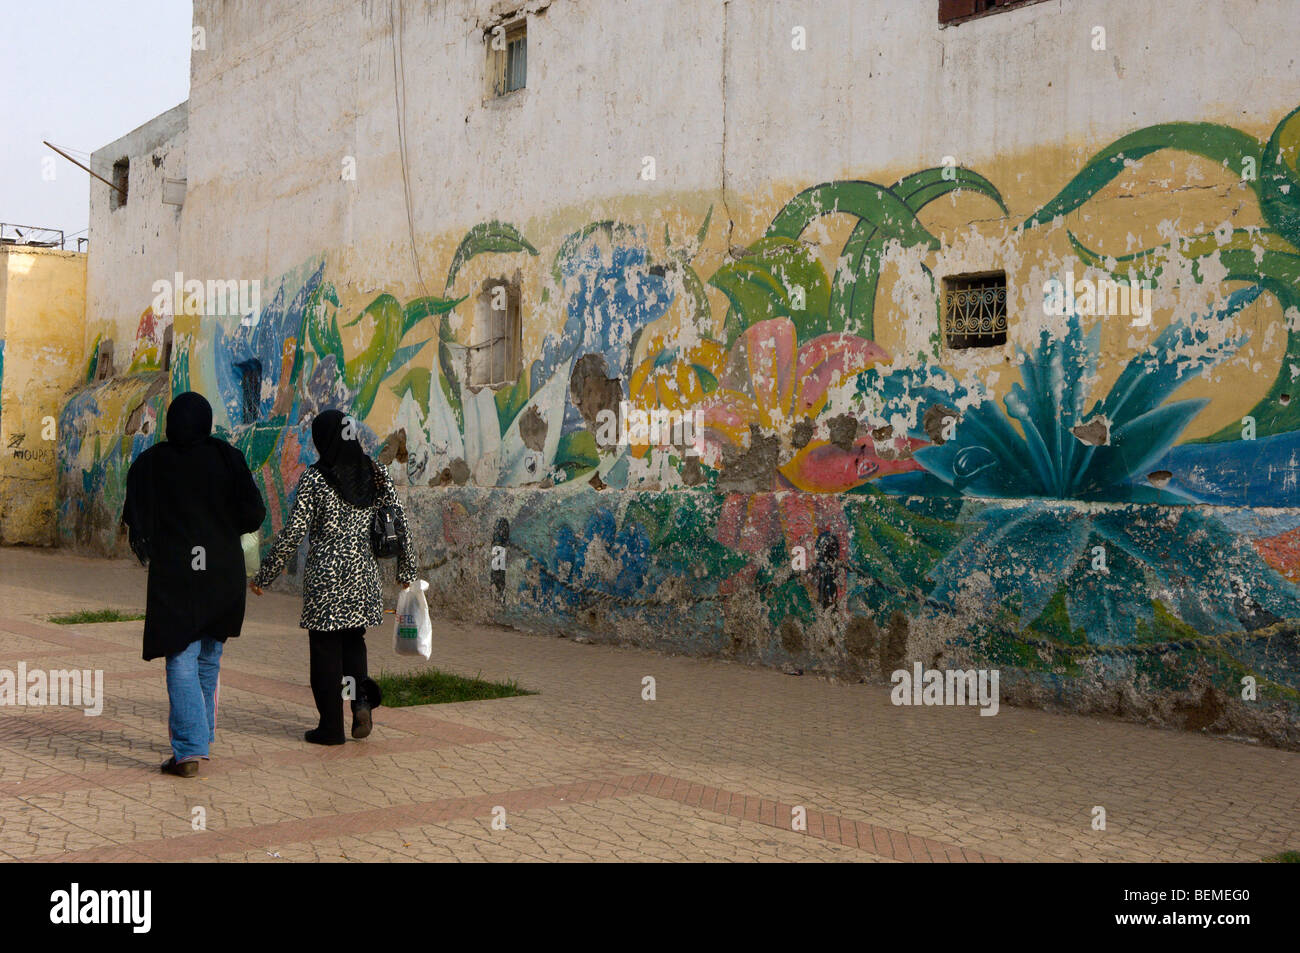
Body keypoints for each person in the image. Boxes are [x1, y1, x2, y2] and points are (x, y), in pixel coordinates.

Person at [250, 409, 417, 745]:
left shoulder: (316, 478)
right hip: (363, 576)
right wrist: (407, 571)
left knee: (326, 650)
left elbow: (294, 532)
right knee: (354, 642)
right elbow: (399, 521)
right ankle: (360, 703)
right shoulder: (375, 472)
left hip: (327, 581)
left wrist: (264, 575)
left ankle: (330, 728)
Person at [122, 392, 267, 778]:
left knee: (180, 653)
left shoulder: (151, 463)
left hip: (176, 571)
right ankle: (202, 737)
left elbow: (136, 518)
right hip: (221, 571)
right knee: (208, 655)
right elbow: (253, 513)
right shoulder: (226, 457)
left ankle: (188, 749)